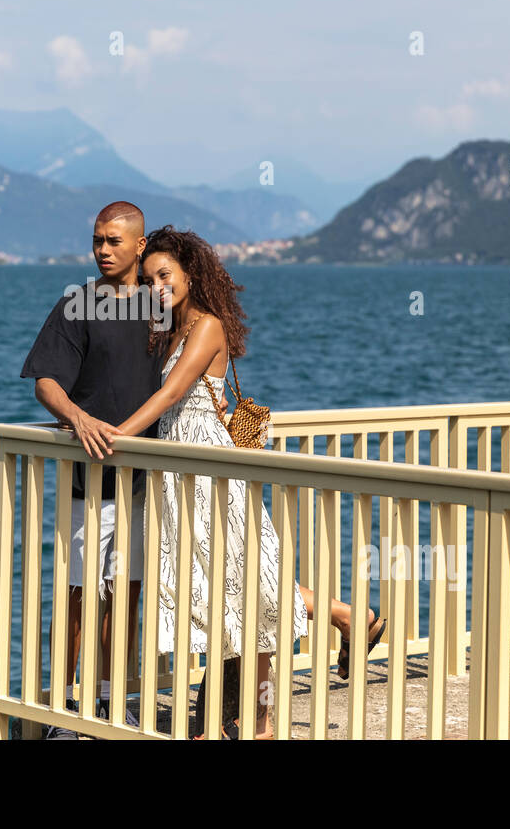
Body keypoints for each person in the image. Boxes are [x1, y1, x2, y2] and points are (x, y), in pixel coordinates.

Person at [110, 225, 386, 739]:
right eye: (148, 280)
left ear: (190, 274)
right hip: (177, 470)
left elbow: (173, 394)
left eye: (164, 275)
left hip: (211, 469)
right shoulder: (167, 329)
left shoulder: (208, 326)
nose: (156, 287)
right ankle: (343, 617)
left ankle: (257, 721)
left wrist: (114, 437)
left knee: (248, 586)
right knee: (223, 587)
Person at [19, 201, 162, 736]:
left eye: (114, 241)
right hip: (89, 480)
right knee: (81, 596)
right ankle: (63, 709)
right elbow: (45, 382)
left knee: (126, 597)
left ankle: (110, 702)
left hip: (144, 481)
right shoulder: (77, 305)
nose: (102, 250)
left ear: (139, 245)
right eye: (97, 240)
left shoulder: (159, 305)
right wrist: (79, 419)